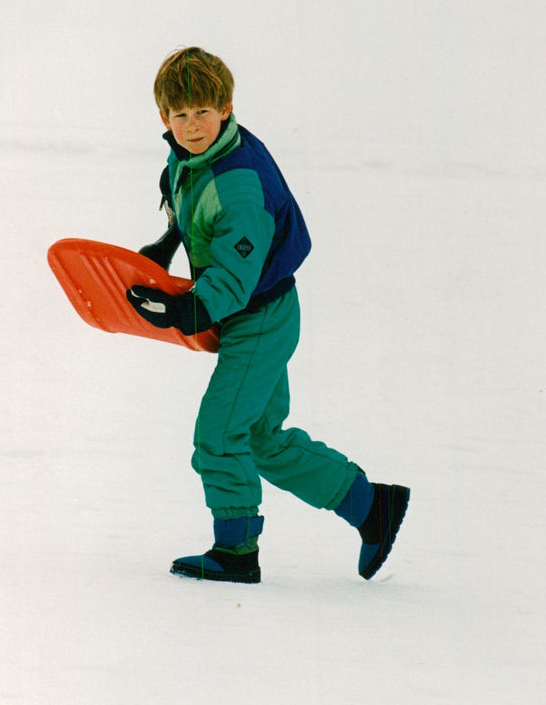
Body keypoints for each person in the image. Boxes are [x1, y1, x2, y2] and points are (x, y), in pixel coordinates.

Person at [126, 46, 409, 584]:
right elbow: (186, 204)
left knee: (220, 431)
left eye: (203, 113)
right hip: (254, 312)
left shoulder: (239, 183)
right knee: (261, 438)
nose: (191, 127)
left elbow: (235, 272)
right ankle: (371, 506)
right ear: (164, 118)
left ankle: (236, 551)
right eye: (180, 116)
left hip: (258, 318)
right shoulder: (191, 153)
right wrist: (167, 245)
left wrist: (185, 310)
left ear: (226, 107)